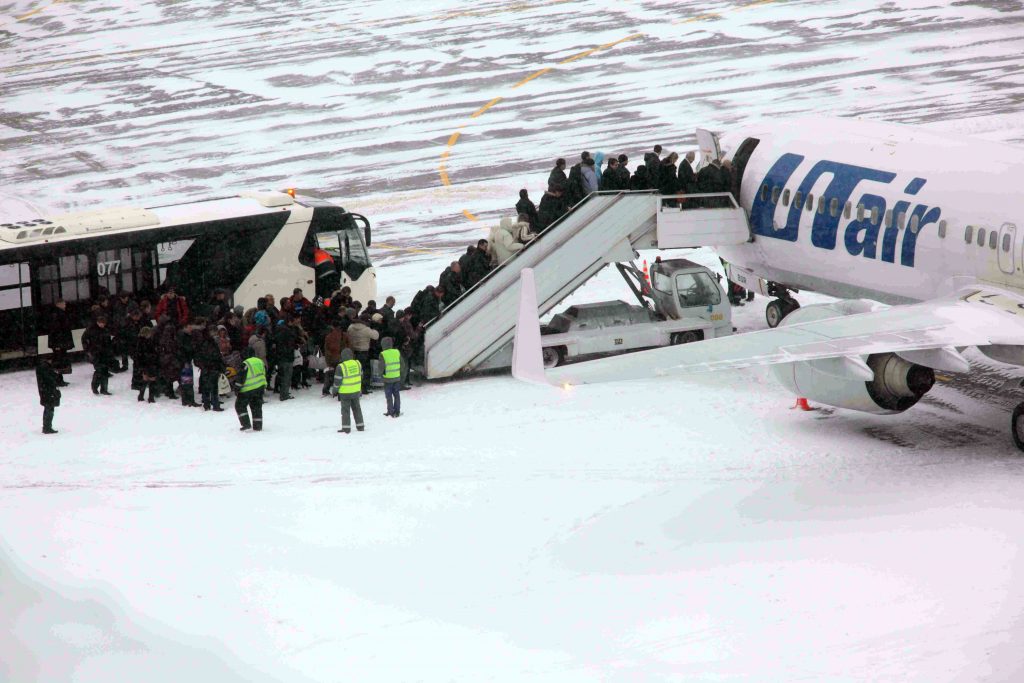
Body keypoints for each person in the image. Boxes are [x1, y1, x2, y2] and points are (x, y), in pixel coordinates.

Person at [330, 348, 364, 433]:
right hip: (356, 390)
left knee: (345, 410)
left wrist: (334, 391)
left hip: (345, 393)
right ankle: (360, 426)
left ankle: (346, 428)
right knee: (357, 408)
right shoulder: (357, 363)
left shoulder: (341, 367)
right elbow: (361, 376)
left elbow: (337, 381)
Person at [233, 347, 267, 432]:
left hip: (248, 389)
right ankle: (258, 426)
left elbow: (241, 378)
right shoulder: (260, 361)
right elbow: (264, 372)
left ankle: (246, 424)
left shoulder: (245, 364)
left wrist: (237, 389)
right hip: (260, 387)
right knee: (256, 406)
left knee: (240, 406)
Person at [81, 315, 115, 395]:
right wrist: (88, 350)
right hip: (95, 353)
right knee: (99, 370)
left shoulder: (105, 329)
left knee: (105, 371)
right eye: (101, 323)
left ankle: (104, 389)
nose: (102, 325)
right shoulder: (91, 330)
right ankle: (95, 387)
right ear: (97, 322)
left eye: (103, 323)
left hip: (105, 353)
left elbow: (108, 341)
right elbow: (84, 340)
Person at [347, 314, 380, 394]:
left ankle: (354, 386)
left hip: (353, 351)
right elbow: (376, 336)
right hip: (363, 351)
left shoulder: (350, 327)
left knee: (354, 370)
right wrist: (374, 328)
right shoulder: (366, 329)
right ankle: (364, 387)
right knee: (365, 370)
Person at [196, 327, 226, 411]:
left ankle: (207, 404)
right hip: (212, 367)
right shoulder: (210, 343)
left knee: (207, 386)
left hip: (207, 367)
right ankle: (214, 404)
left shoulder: (203, 342)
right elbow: (216, 355)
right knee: (213, 387)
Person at [47, 299, 73, 383]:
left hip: (59, 342)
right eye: (63, 304)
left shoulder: (56, 314)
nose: (65, 305)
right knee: (59, 361)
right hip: (59, 343)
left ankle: (59, 379)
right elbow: (56, 330)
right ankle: (58, 380)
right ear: (59, 304)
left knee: (59, 360)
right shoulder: (58, 314)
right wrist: (57, 344)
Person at [321, 321, 349, 396]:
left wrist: (328, 361)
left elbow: (327, 350)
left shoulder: (328, 336)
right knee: (341, 375)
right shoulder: (344, 335)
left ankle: (326, 389)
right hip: (342, 358)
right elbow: (349, 347)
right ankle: (339, 391)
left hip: (332, 358)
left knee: (330, 374)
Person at [35, 355, 61, 435]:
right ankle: (47, 427)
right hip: (48, 391)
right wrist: (56, 376)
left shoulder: (42, 367)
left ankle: (46, 426)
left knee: (48, 408)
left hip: (45, 391)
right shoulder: (45, 368)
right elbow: (50, 379)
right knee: (49, 408)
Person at [272, 318, 296, 400]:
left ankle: (282, 392)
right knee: (287, 376)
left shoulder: (277, 332)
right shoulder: (288, 332)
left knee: (282, 375)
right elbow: (290, 345)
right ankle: (284, 394)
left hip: (280, 357)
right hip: (287, 357)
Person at [135, 326, 159, 403]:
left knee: (145, 379)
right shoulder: (146, 342)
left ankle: (141, 395)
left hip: (144, 364)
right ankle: (151, 397)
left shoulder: (140, 341)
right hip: (149, 363)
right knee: (152, 379)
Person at [380, 337, 403, 418]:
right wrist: (400, 373)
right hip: (396, 377)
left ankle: (390, 411)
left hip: (387, 379)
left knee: (389, 396)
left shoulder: (383, 354)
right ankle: (397, 411)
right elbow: (402, 364)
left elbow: (381, 367)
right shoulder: (397, 352)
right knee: (396, 394)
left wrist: (381, 375)